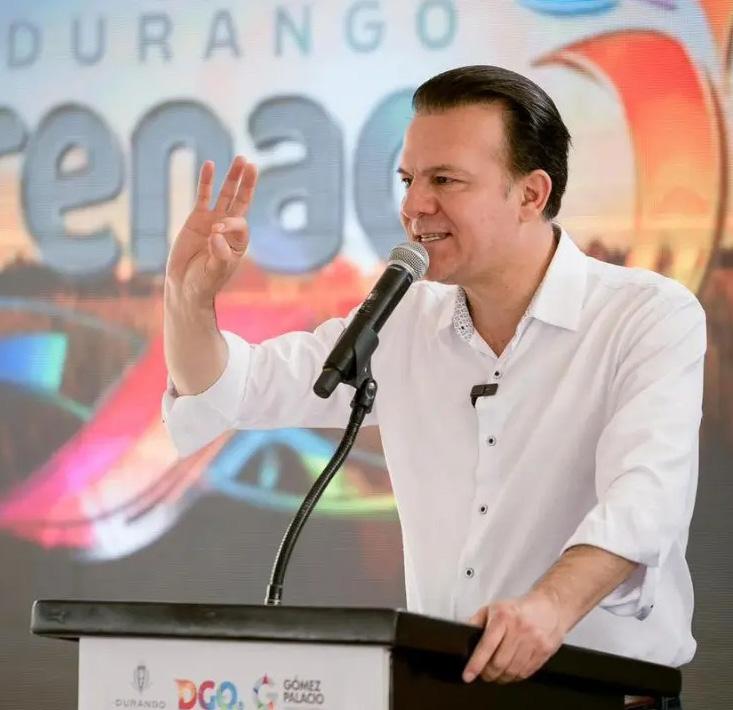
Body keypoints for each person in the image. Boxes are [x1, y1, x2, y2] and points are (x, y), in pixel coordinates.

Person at [162, 66, 704, 699]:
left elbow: (646, 497)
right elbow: (234, 388)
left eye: (444, 180)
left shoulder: (646, 315)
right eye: (408, 179)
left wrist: (548, 608)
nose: (414, 205)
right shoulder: (404, 318)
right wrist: (186, 296)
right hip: (442, 694)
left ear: (531, 194)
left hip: (600, 696)